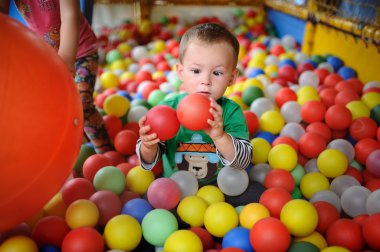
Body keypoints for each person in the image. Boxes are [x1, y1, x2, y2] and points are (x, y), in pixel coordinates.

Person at [137, 23, 265, 205]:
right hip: (176, 191)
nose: (206, 81)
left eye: (217, 73)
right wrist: (148, 146)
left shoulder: (230, 112)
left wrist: (220, 137)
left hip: (222, 190)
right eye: (196, 71)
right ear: (181, 72)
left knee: (257, 194)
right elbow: (148, 162)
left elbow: (242, 162)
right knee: (149, 201)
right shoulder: (167, 110)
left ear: (232, 78)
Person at [1, 0, 112, 154]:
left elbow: (70, 14)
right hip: (46, 56)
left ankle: (106, 152)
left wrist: (66, 61)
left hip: (81, 52)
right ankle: (72, 149)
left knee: (82, 104)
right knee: (52, 110)